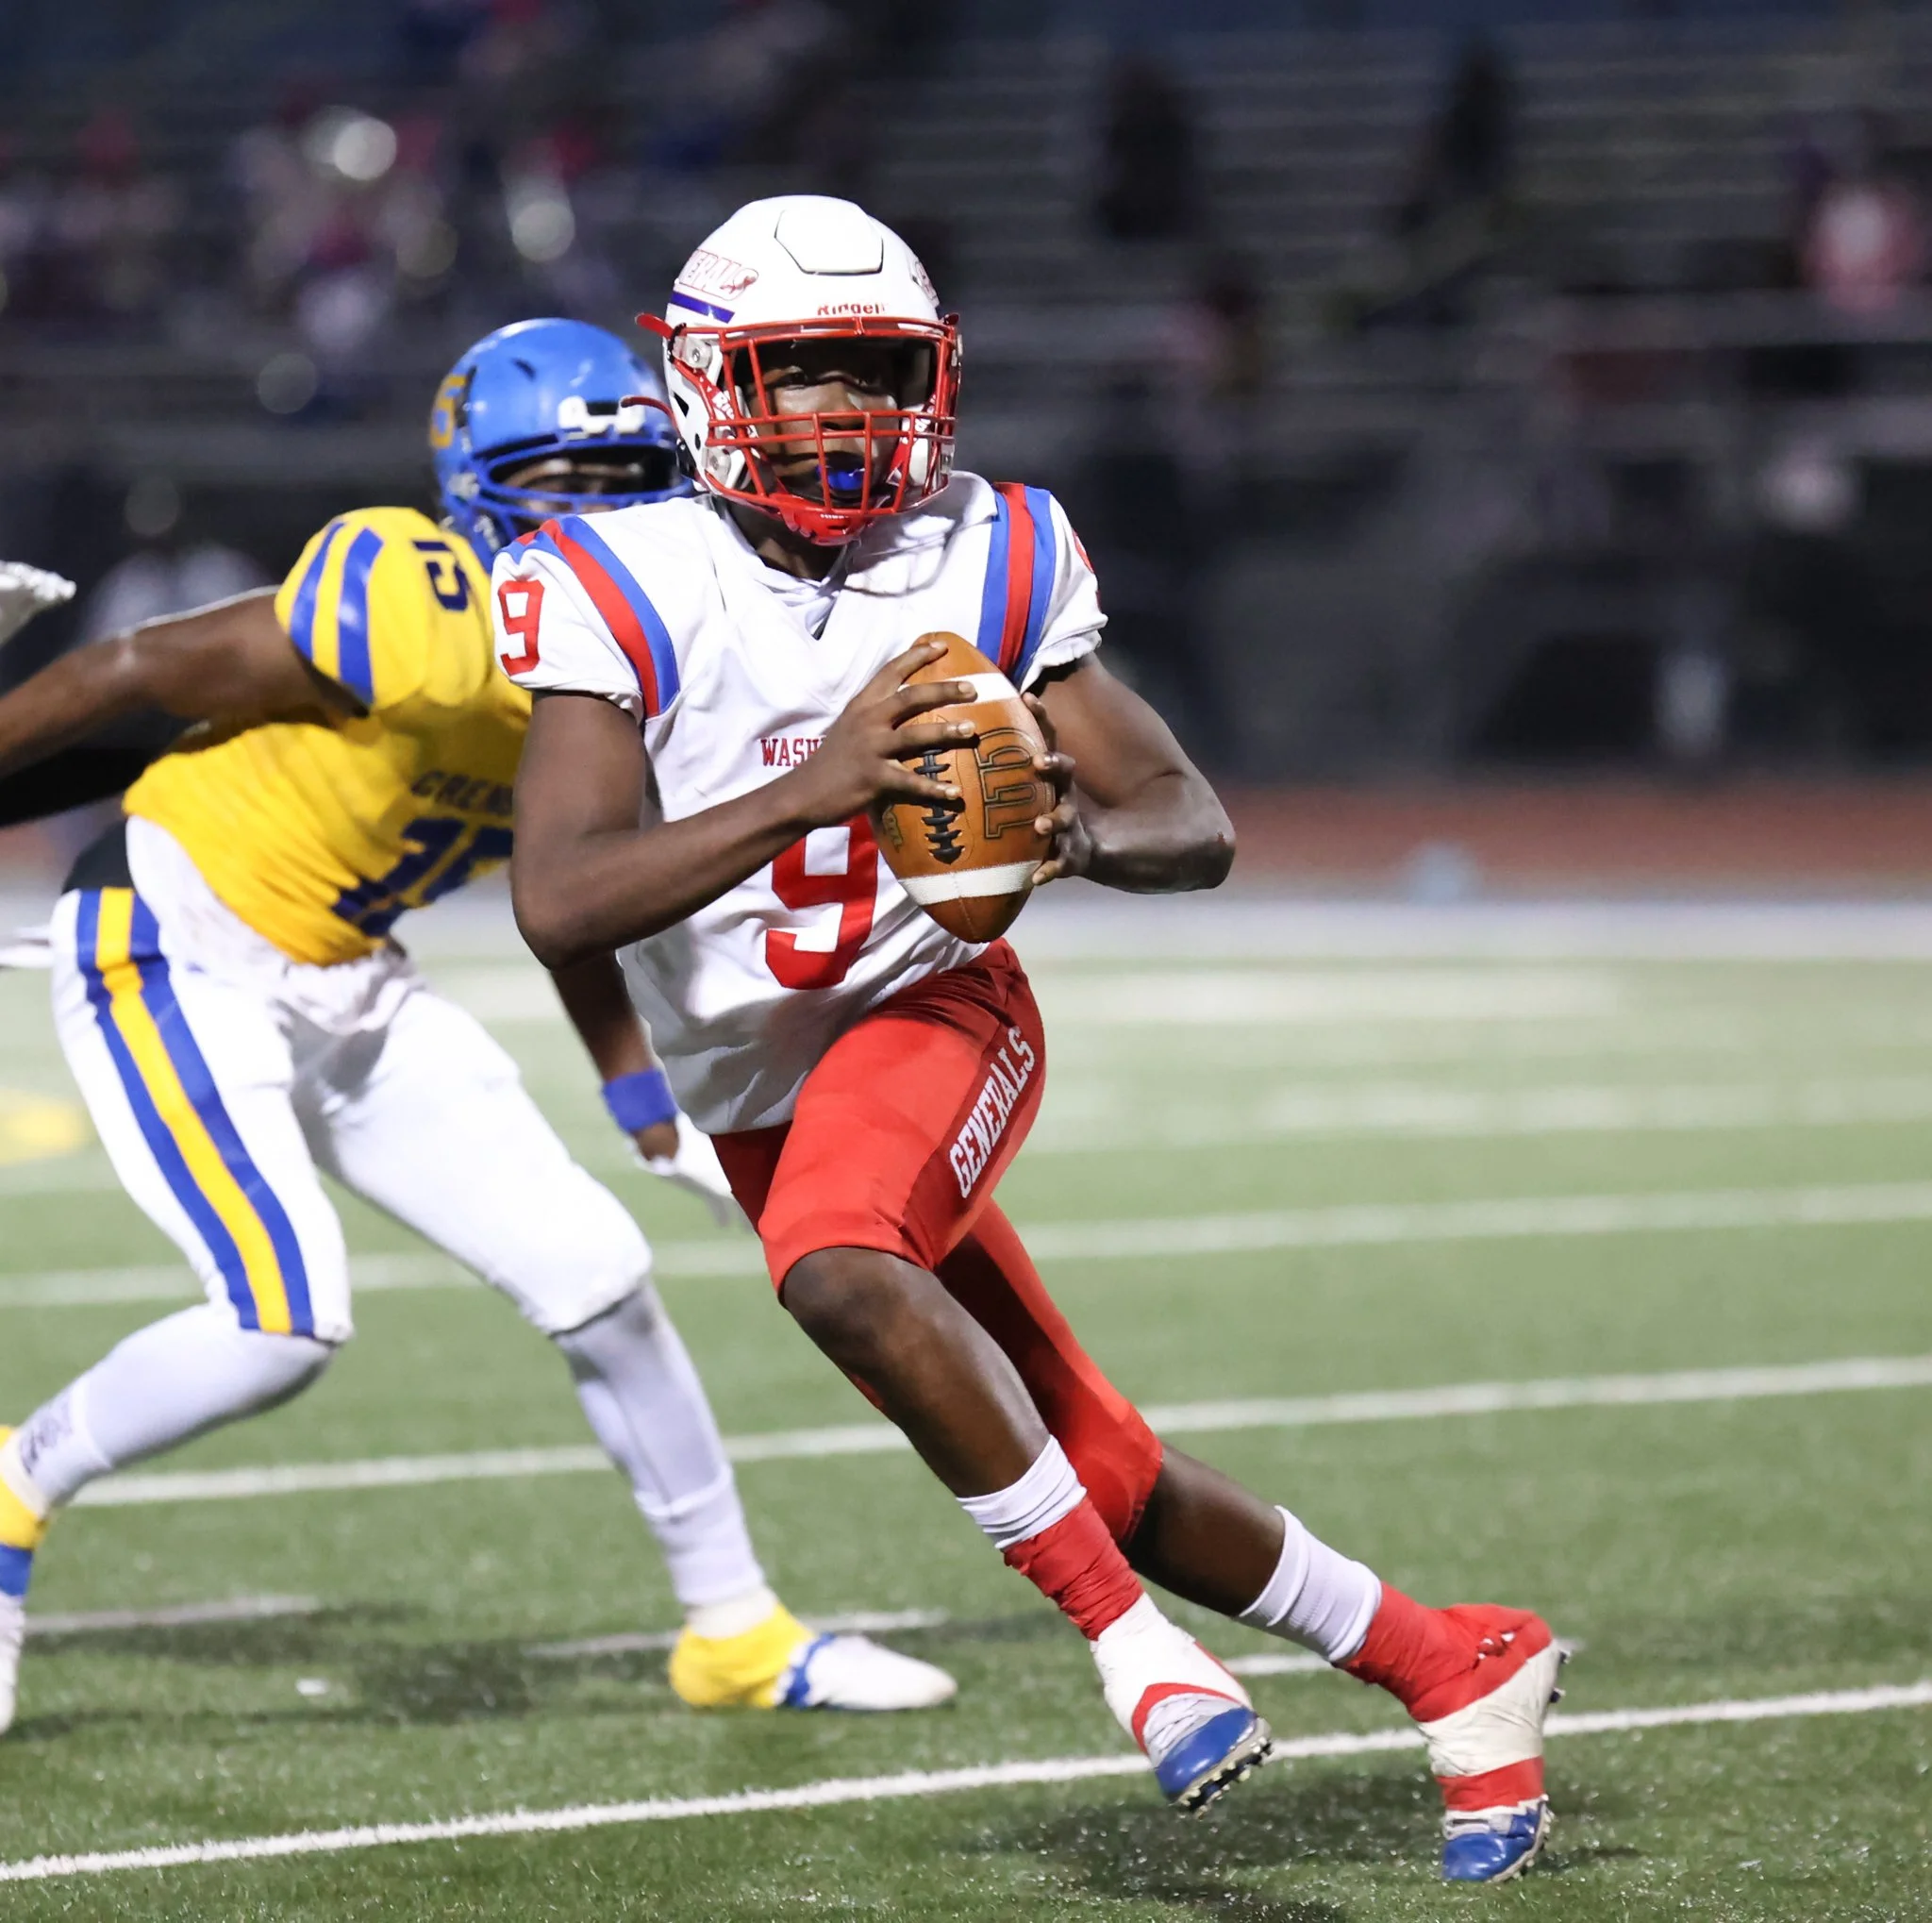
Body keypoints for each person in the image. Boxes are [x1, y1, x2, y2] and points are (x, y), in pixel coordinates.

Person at [496, 196, 1564, 1884]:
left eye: (879, 372)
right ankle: (1459, 1663)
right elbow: (560, 897)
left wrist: (1062, 837)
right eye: (806, 370)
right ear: (709, 383)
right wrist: (815, 788)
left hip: (930, 1005)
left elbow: (1188, 819)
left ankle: (1133, 1654)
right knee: (1101, 1465)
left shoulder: (984, 549)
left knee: (837, 1265)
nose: (849, 411)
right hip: (755, 1081)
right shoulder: (612, 579)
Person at [0, 317, 955, 1740]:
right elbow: (136, 671)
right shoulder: (423, 606)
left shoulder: (635, 655)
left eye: (635, 481)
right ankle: (13, 1490)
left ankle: (737, 1634)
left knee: (599, 1277)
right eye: (570, 482)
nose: (606, 516)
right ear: (482, 493)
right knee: (279, 1319)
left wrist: (642, 1103)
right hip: (176, 934)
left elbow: (569, 889)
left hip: (349, 976)